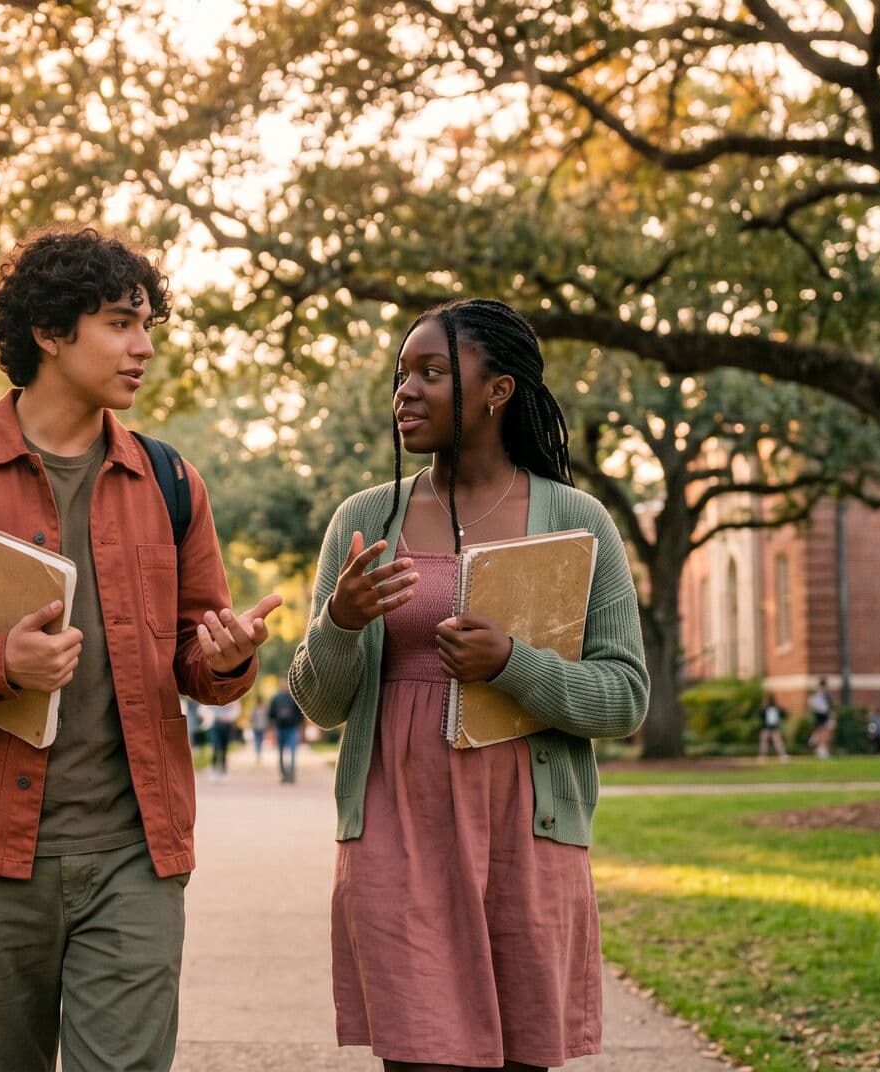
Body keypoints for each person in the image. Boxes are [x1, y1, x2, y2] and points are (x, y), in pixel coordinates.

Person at [0, 227, 277, 1072]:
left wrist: (226, 658)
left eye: (148, 324)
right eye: (120, 322)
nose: (144, 346)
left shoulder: (173, 482)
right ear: (49, 331)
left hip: (134, 854)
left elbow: (199, 662)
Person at [289, 298, 649, 1071]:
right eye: (400, 375)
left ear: (498, 390)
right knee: (418, 1056)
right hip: (398, 826)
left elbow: (624, 695)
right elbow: (318, 703)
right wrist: (341, 622)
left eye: (433, 372)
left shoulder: (577, 521)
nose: (405, 393)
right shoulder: (366, 517)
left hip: (524, 830)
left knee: (522, 1056)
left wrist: (513, 663)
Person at [267, 684, 306, 784]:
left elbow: (301, 716)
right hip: (280, 729)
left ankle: (291, 775)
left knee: (292, 753)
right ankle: (283, 775)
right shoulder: (276, 699)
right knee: (280, 753)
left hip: (292, 729)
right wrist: (271, 731)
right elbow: (271, 716)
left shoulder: (295, 698)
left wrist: (301, 731)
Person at [201, 698, 241, 782]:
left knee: (224, 750)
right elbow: (203, 709)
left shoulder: (232, 695)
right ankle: (214, 771)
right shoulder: (213, 695)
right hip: (216, 725)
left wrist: (227, 717)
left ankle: (223, 772)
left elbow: (237, 710)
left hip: (227, 726)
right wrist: (212, 716)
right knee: (215, 747)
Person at [807, 676, 835, 759]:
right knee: (825, 732)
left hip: (818, 715)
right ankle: (821, 749)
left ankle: (815, 739)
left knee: (821, 730)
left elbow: (811, 705)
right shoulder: (825, 694)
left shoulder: (816, 693)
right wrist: (833, 718)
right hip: (825, 715)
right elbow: (832, 706)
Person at [758, 693, 789, 762]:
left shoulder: (766, 708)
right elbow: (785, 714)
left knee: (765, 742)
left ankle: (762, 757)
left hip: (768, 728)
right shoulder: (775, 708)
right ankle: (783, 756)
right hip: (771, 727)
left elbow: (760, 716)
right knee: (776, 742)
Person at [248, 688, 270, 763]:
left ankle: (259, 754)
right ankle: (258, 754)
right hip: (256, 727)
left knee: (260, 741)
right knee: (257, 741)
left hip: (262, 727)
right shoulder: (254, 708)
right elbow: (251, 717)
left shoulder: (264, 708)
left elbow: (266, 717)